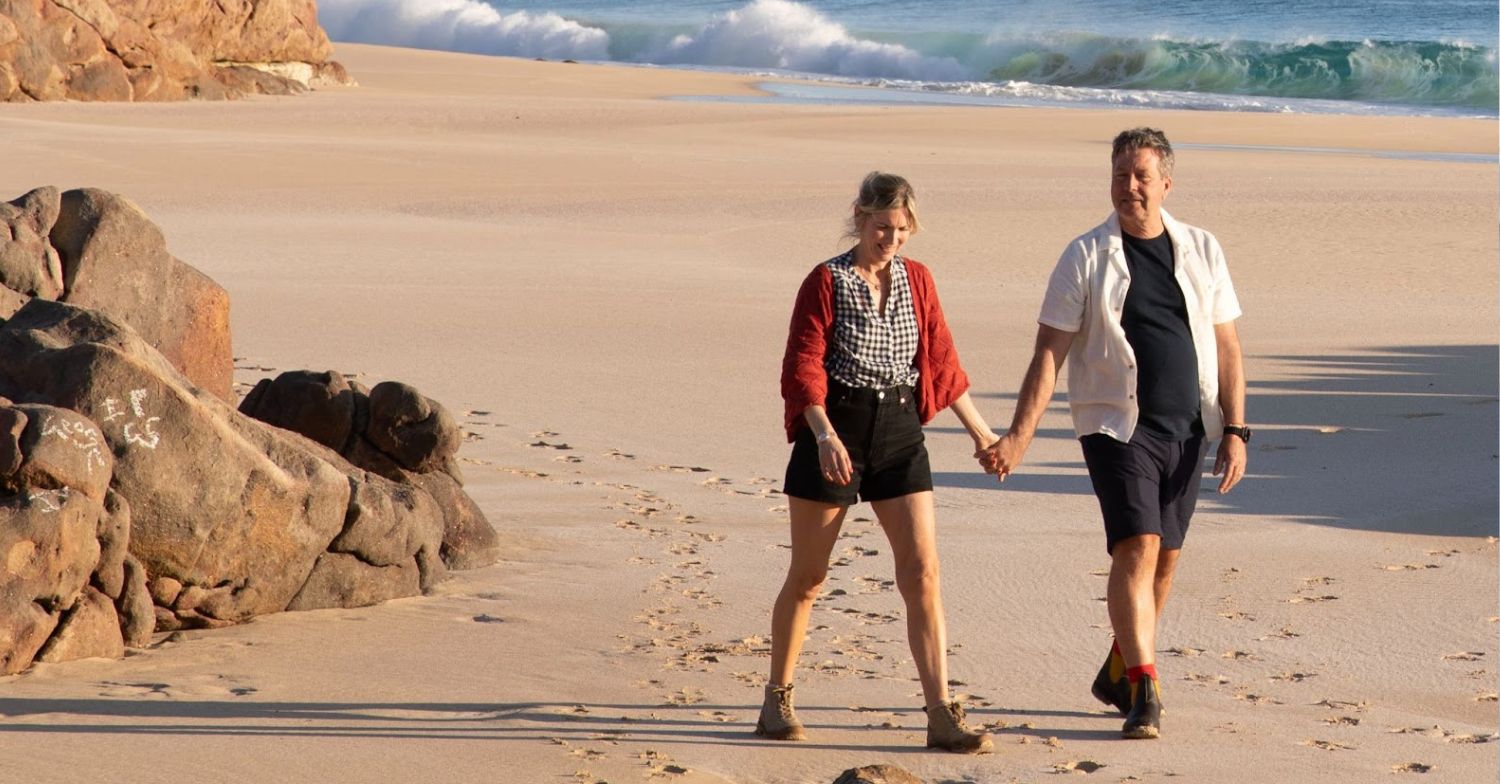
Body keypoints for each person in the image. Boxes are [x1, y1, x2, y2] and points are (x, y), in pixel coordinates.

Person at [979, 128, 1248, 740]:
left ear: (1166, 184)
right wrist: (1019, 435)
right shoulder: (1085, 255)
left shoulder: (1203, 248)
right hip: (1114, 425)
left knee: (1167, 562)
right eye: (1120, 175)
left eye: (1141, 176)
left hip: (1189, 428)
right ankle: (1145, 690)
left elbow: (1228, 348)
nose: (1129, 187)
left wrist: (1236, 430)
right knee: (1138, 547)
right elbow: (1049, 353)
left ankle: (1117, 667)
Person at [759, 172, 998, 754]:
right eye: (881, 227)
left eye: (901, 228)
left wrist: (985, 436)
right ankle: (777, 699)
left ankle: (941, 713)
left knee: (923, 574)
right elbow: (804, 365)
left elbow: (941, 361)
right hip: (834, 429)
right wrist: (823, 435)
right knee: (809, 579)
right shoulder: (827, 279)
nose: (891, 238)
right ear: (860, 219)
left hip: (898, 433)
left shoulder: (918, 280)